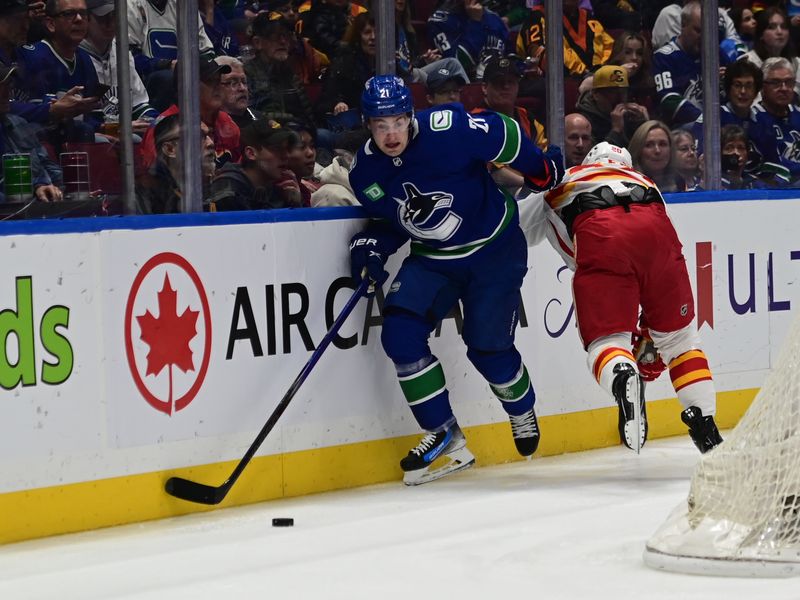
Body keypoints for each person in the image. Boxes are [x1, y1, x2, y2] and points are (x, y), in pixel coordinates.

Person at [347, 75, 564, 485]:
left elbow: (507, 135)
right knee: (399, 334)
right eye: (380, 124)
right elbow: (395, 220)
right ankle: (444, 434)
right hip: (433, 260)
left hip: (494, 251)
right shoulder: (365, 172)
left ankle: (521, 410)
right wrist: (374, 243)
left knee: (487, 348)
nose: (391, 134)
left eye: (397, 121)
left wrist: (540, 168)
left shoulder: (448, 128)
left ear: (410, 116)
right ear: (367, 124)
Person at [518, 141, 724, 454]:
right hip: (658, 234)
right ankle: (706, 427)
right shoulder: (644, 180)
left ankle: (621, 376)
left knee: (607, 342)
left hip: (603, 236)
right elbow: (645, 243)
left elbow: (512, 228)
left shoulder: (565, 178)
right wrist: (649, 331)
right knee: (681, 342)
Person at [12, 0, 103, 143]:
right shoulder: (31, 57)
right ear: (50, 24)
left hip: (77, 139)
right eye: (69, 14)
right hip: (39, 142)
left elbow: (91, 116)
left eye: (83, 14)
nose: (79, 19)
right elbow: (19, 112)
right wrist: (52, 111)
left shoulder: (85, 59)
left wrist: (103, 128)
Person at [80, 0, 158, 135]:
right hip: (94, 135)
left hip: (125, 132)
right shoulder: (75, 54)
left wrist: (158, 122)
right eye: (102, 18)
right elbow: (81, 121)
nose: (110, 23)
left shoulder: (121, 51)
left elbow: (139, 104)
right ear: (86, 19)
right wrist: (118, 128)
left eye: (114, 16)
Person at [0, 64, 63, 203]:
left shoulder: (19, 124)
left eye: (7, 85)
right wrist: (35, 187)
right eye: (0, 87)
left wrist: (64, 189)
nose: (6, 93)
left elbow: (47, 165)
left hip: (41, 208)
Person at [208, 118, 301, 210]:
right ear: (251, 153)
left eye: (287, 149)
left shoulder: (280, 190)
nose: (286, 156)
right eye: (277, 149)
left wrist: (294, 205)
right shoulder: (228, 191)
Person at [135, 115, 217, 213]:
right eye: (198, 137)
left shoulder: (220, 189)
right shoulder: (143, 198)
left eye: (210, 135)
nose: (210, 143)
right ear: (170, 149)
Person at [749, 57, 800, 186]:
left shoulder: (798, 114)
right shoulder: (753, 119)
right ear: (761, 86)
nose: (784, 88)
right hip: (777, 189)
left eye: (789, 82)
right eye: (776, 83)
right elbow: (768, 167)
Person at [576, 64, 648, 149]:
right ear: (596, 94)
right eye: (612, 92)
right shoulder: (584, 122)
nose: (619, 98)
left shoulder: (628, 115)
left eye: (623, 92)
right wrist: (616, 130)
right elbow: (597, 158)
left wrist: (642, 124)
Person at [628, 119, 679, 192]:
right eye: (649, 145)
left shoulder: (681, 183)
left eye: (662, 144)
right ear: (638, 150)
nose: (657, 151)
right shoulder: (627, 188)